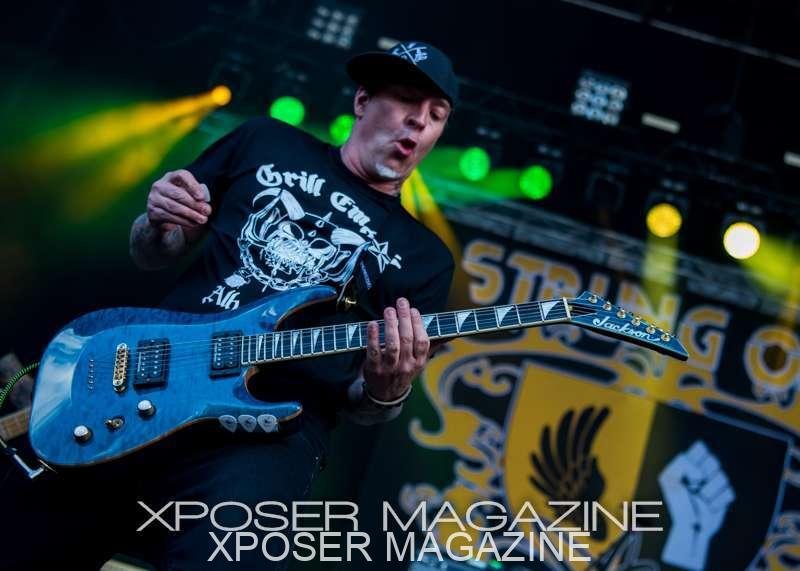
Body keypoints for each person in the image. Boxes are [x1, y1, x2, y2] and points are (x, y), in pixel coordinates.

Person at [1, 41, 458, 569]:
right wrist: (158, 221)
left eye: (436, 115)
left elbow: (366, 403)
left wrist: (388, 386)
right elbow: (151, 250)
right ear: (362, 101)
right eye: (406, 100)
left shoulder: (425, 257)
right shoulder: (264, 140)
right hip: (152, 377)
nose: (419, 121)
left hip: (270, 433)